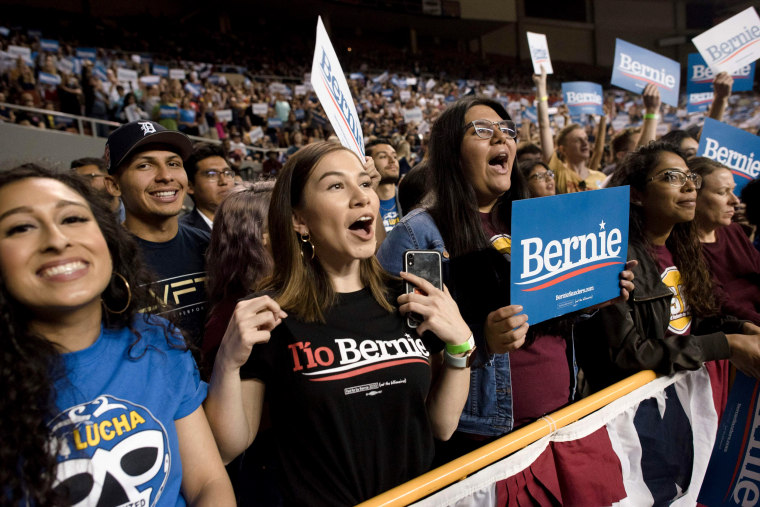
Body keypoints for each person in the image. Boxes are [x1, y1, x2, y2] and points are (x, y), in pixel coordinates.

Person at [205, 141, 473, 506]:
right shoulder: (267, 312)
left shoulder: (409, 297)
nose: (362, 197)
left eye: (364, 183)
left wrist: (461, 345)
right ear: (299, 219)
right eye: (336, 186)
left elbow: (441, 427)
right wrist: (227, 362)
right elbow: (228, 447)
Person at [377, 96, 634, 465]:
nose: (502, 138)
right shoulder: (419, 235)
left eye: (508, 130)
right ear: (451, 151)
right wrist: (482, 342)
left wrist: (593, 297)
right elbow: (399, 353)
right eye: (482, 130)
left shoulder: (538, 220)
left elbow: (552, 314)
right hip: (485, 442)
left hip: (562, 420)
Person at [0, 164, 234, 506]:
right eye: (21, 227)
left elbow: (207, 482)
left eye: (73, 219)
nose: (57, 240)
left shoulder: (157, 339)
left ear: (108, 239)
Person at [576, 143, 760, 410]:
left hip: (676, 402)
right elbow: (630, 354)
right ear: (637, 194)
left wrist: (738, 328)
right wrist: (727, 344)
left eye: (690, 178)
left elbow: (687, 323)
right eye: (672, 177)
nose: (689, 187)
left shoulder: (682, 249)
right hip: (631, 414)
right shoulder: (613, 258)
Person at [103, 120, 210, 346]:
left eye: (173, 163)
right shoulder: (103, 260)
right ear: (114, 185)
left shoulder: (211, 246)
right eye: (144, 166)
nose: (165, 176)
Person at [690, 157, 760, 324]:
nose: (735, 201)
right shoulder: (682, 246)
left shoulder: (733, 230)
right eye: (722, 192)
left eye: (733, 190)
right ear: (693, 196)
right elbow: (721, 304)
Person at [180, 143, 235, 233]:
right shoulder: (182, 233)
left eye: (227, 173)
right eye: (212, 175)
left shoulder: (251, 224)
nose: (223, 181)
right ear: (189, 186)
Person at [366, 137, 402, 232]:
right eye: (383, 156)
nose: (392, 161)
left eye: (395, 156)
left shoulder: (411, 200)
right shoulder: (361, 205)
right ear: (367, 163)